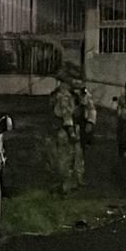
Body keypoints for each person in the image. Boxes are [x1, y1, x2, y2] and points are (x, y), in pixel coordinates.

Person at [44, 64, 83, 194]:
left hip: (54, 129)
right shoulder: (65, 96)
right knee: (66, 159)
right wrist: (72, 133)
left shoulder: (57, 94)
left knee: (55, 158)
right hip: (64, 130)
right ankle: (65, 186)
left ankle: (57, 185)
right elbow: (67, 116)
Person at [70, 75, 97, 189]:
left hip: (81, 125)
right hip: (71, 125)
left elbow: (91, 110)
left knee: (80, 151)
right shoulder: (68, 96)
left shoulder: (86, 96)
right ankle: (70, 178)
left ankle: (79, 178)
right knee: (71, 152)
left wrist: (90, 122)